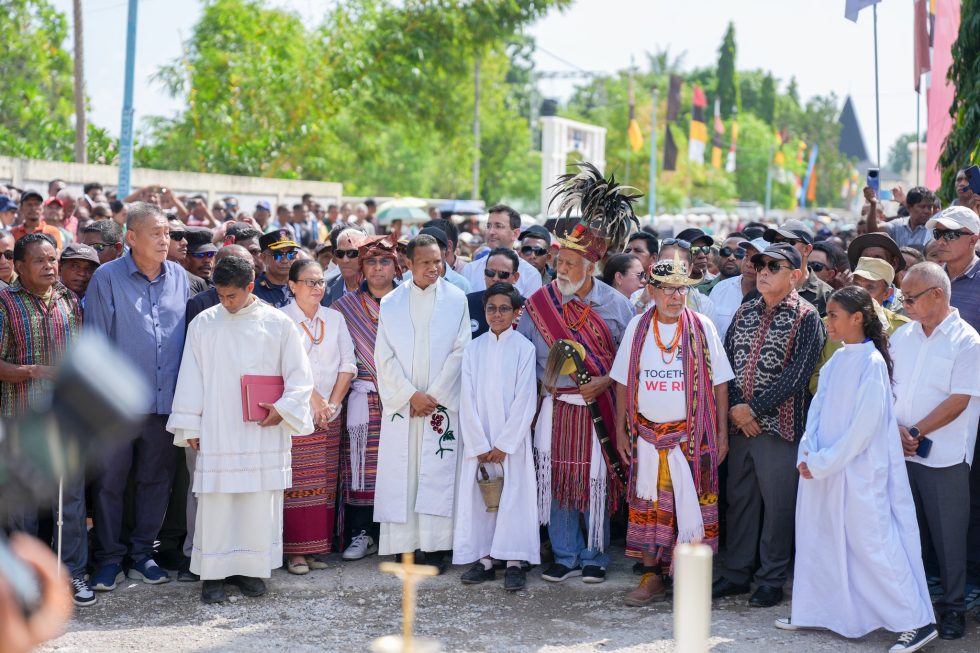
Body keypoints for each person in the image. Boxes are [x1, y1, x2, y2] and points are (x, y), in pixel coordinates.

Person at [779, 286, 937, 651]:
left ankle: (916, 621)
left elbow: (863, 429)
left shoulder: (872, 363)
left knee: (874, 545)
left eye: (834, 314)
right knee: (823, 539)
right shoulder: (837, 360)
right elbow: (815, 414)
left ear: (857, 318)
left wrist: (821, 462)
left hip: (858, 472)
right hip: (822, 472)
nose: (827, 321)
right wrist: (807, 453)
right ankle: (818, 610)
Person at [168, 256, 314, 604]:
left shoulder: (278, 324)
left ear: (250, 287)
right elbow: (191, 374)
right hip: (218, 427)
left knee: (255, 501)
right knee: (218, 502)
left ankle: (251, 569)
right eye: (220, 295)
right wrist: (190, 421)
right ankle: (213, 575)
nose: (225, 302)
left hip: (263, 429)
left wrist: (283, 409)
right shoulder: (204, 323)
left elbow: (299, 376)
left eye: (232, 295)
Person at [518, 165, 637, 584]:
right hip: (555, 404)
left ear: (590, 264)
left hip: (599, 405)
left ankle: (595, 555)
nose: (561, 269)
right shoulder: (539, 303)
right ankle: (565, 554)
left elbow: (629, 358)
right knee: (557, 475)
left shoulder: (617, 304)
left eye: (570, 263)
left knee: (595, 478)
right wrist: (544, 379)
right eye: (558, 262)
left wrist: (606, 380)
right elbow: (524, 351)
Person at [610, 253, 733, 606]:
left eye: (681, 288)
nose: (675, 296)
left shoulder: (702, 326)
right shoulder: (637, 327)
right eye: (666, 289)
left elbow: (721, 383)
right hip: (646, 436)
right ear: (650, 291)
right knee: (649, 507)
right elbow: (622, 382)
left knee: (693, 506)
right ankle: (652, 578)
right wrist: (620, 430)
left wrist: (722, 434)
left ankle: (689, 579)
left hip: (694, 438)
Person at [85, 202, 190, 591]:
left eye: (167, 233)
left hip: (164, 406)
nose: (166, 240)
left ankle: (143, 553)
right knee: (110, 484)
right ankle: (110, 559)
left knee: (155, 480)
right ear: (131, 238)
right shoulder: (107, 278)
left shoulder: (180, 277)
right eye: (157, 233)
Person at [714, 242, 826, 608]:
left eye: (772, 266)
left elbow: (797, 375)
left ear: (794, 275)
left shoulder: (807, 316)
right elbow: (725, 365)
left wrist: (752, 410)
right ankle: (736, 573)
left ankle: (771, 578)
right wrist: (734, 409)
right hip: (739, 425)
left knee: (778, 506)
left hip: (779, 428)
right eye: (759, 264)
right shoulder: (745, 310)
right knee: (739, 500)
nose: (762, 271)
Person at [0, 233, 92, 607]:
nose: (49, 267)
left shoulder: (70, 301)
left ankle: (72, 575)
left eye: (52, 259)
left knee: (68, 501)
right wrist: (36, 371)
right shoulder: (4, 302)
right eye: (39, 260)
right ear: (19, 266)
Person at [892, 262, 980, 640]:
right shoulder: (902, 336)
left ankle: (954, 608)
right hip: (898, 449)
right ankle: (914, 608)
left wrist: (914, 430)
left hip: (944, 456)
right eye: (902, 297)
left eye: (910, 298)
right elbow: (888, 387)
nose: (904, 304)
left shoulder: (968, 341)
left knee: (949, 538)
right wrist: (895, 431)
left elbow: (960, 400)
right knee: (907, 533)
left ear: (938, 295)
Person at [374, 234, 470, 573]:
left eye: (438, 261)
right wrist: (409, 394)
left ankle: (434, 546)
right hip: (405, 405)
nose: (434, 267)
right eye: (426, 262)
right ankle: (403, 546)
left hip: (437, 406)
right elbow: (383, 357)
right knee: (404, 473)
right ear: (409, 264)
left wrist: (434, 397)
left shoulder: (457, 299)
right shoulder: (391, 303)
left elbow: (462, 351)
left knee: (435, 472)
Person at [453, 283, 540, 591]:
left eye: (505, 308)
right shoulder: (474, 349)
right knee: (482, 497)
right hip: (481, 439)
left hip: (510, 442)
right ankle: (486, 558)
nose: (497, 314)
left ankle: (515, 561)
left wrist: (505, 443)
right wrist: (478, 443)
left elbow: (525, 398)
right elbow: (467, 398)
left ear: (517, 313)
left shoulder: (524, 348)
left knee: (514, 495)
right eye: (492, 308)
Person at [280, 259, 356, 574]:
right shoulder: (281, 319)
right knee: (297, 485)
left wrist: (333, 404)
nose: (316, 288)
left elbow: (348, 365)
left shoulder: (334, 318)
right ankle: (295, 552)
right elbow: (283, 367)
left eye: (321, 282)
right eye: (309, 282)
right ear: (293, 285)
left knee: (324, 483)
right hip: (297, 414)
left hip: (330, 414)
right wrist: (314, 400)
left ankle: (316, 548)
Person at [331, 236, 400, 561]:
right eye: (370, 262)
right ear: (362, 267)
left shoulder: (408, 302)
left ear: (395, 265)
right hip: (362, 398)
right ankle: (361, 533)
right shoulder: (344, 308)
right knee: (360, 467)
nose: (377, 268)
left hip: (401, 398)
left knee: (398, 466)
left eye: (384, 261)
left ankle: (394, 534)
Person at [926, 206, 980, 611]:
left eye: (950, 234)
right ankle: (935, 577)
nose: (940, 240)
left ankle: (969, 580)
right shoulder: (929, 283)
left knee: (972, 495)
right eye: (937, 233)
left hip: (972, 404)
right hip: (926, 408)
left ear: (973, 238)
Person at [809, 257, 910, 394]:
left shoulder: (902, 328)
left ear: (887, 293)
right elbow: (816, 378)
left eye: (870, 287)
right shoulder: (828, 324)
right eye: (856, 285)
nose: (860, 292)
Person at [461, 204, 542, 297]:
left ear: (515, 234)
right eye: (488, 226)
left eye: (498, 226)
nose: (491, 232)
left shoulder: (531, 275)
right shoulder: (469, 270)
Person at [761, 220, 832, 316]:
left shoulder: (826, 296)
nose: (780, 247)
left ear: (806, 250)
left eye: (788, 242)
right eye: (776, 241)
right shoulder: (760, 289)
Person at [710, 238, 765, 341]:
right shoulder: (720, 289)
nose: (749, 264)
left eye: (756, 260)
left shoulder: (773, 296)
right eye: (747, 256)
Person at [466, 247, 521, 339]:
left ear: (515, 277)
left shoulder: (525, 308)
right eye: (490, 272)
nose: (495, 278)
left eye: (503, 274)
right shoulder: (467, 303)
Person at [402, 226, 471, 293]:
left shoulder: (461, 285)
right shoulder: (403, 281)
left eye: (436, 261)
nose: (432, 268)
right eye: (425, 262)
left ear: (446, 254)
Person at [870, 186, 936, 249]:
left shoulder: (935, 230)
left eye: (930, 207)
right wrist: (873, 204)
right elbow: (873, 231)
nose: (927, 211)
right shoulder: (897, 226)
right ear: (909, 207)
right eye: (922, 206)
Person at [253, 229, 300, 308]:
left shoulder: (302, 286)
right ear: (263, 257)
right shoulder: (253, 291)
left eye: (291, 254)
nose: (285, 260)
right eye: (278, 255)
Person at [323, 228, 367, 306]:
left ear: (365, 254)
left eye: (352, 253)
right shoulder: (324, 288)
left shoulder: (380, 287)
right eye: (339, 253)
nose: (345, 260)